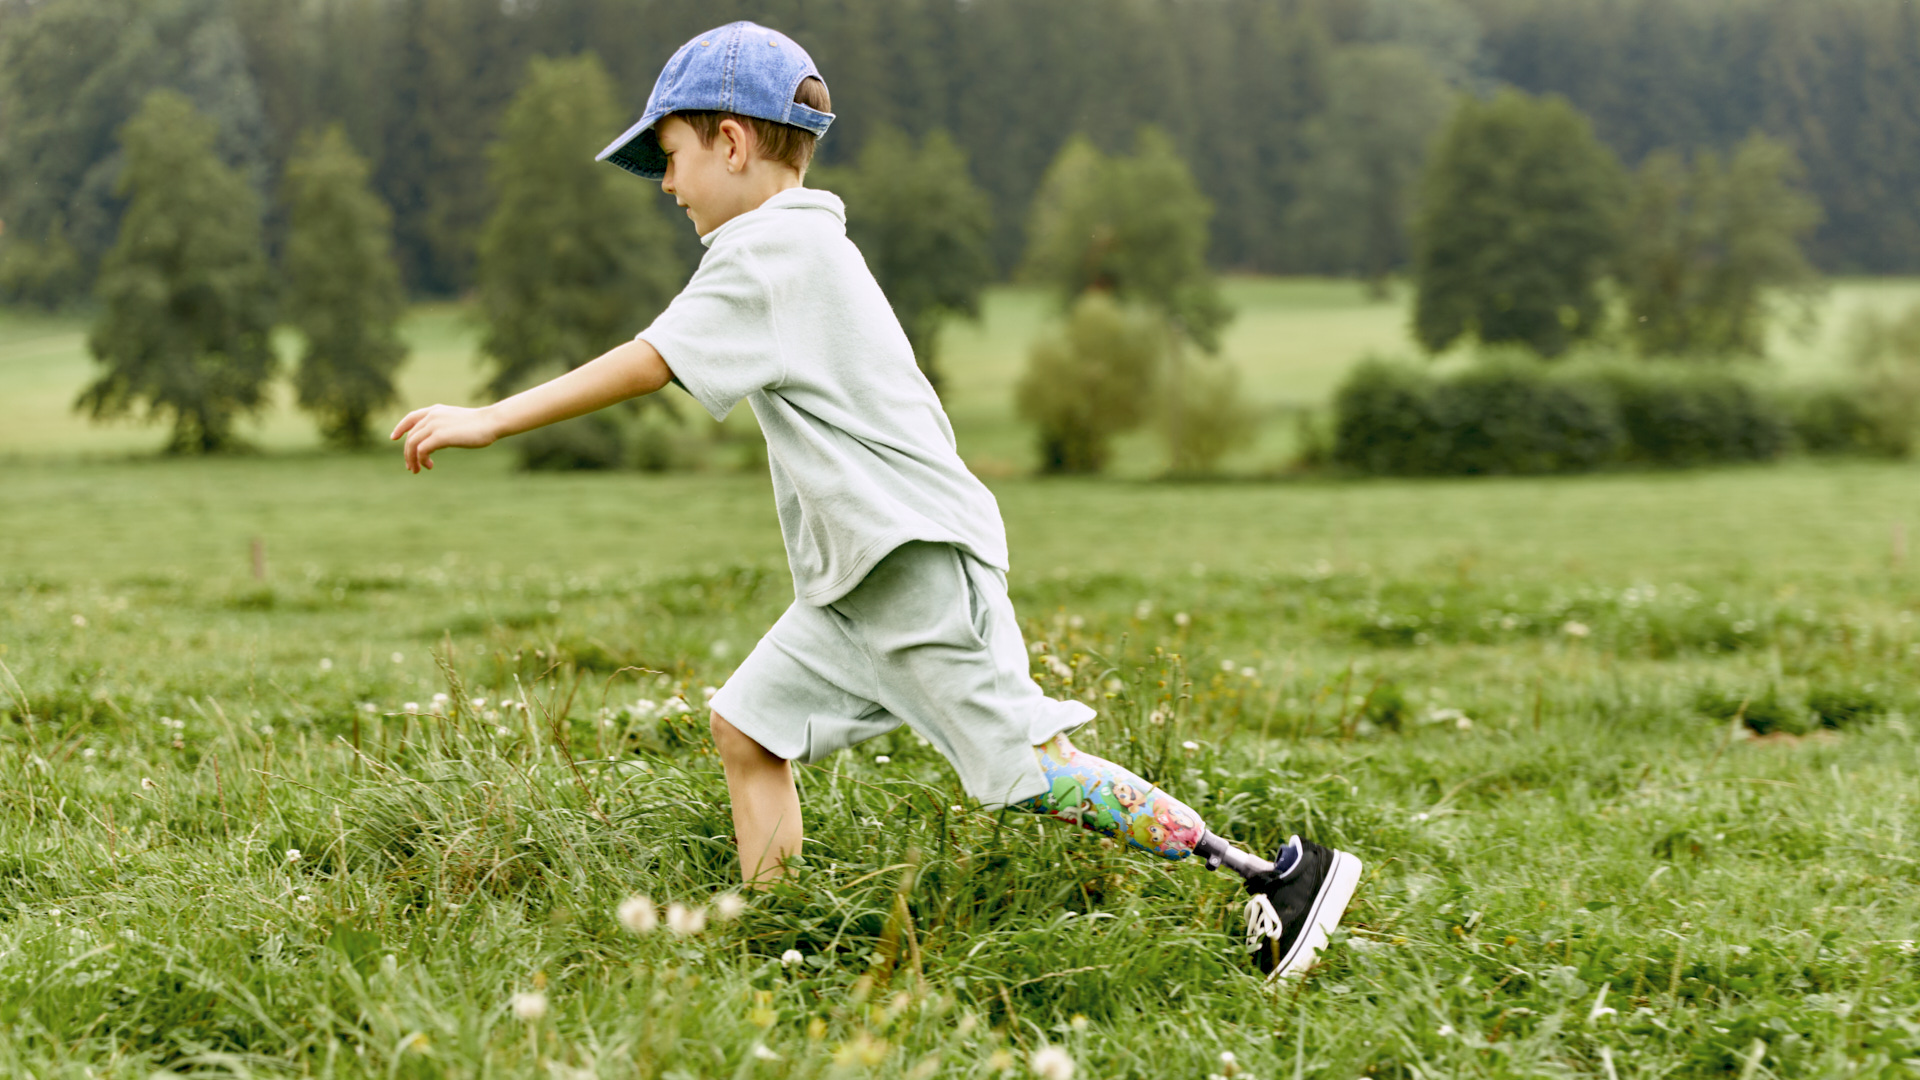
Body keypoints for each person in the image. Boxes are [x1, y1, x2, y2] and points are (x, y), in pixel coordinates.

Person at [390, 19, 1359, 980]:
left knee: (1026, 769)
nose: (670, 187)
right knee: (749, 729)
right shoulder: (799, 249)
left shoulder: (770, 253)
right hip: (858, 581)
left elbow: (651, 362)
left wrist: (491, 418)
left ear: (731, 141)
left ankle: (1274, 875)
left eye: (673, 157)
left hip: (913, 563)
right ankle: (785, 939)